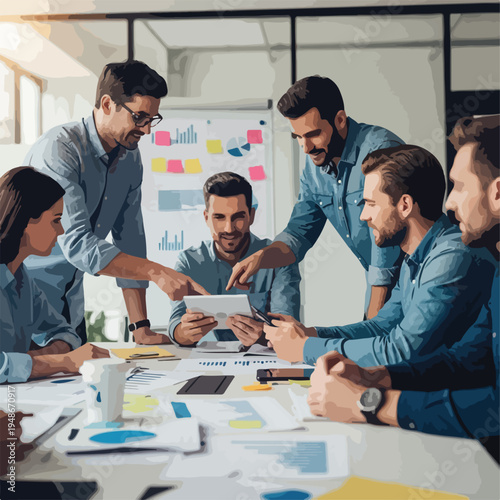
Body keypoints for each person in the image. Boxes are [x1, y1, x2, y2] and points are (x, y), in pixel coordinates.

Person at [307, 115, 499, 455]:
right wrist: (378, 377)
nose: (450, 204)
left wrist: (369, 403)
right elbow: (468, 361)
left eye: (460, 187)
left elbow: (493, 409)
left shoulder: (456, 253)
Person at [23, 60, 207, 346]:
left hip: (68, 312)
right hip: (25, 308)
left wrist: (141, 327)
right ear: (107, 104)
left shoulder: (130, 158)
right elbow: (77, 244)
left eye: (152, 120)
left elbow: (130, 240)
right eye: (139, 117)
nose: (146, 130)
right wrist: (157, 273)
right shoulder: (59, 150)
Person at [264, 144, 494, 367]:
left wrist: (306, 349)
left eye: (371, 203)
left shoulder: (451, 256)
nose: (363, 216)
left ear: (404, 205)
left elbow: (401, 350)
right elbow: (382, 326)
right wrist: (309, 334)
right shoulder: (415, 257)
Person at [227, 76, 405, 318]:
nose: (305, 147)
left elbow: (389, 237)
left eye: (312, 134)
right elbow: (299, 234)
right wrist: (261, 257)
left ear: (340, 120)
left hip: (412, 281)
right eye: (298, 137)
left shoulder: (380, 149)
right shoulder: (314, 169)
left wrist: (374, 320)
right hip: (377, 284)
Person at [0, 167, 109, 384]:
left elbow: (64, 331)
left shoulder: (22, 278)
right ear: (25, 220)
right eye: (56, 220)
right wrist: (62, 362)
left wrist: (41, 357)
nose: (61, 232)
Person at [168, 172, 300, 347]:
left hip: (266, 363)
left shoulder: (278, 258)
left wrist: (262, 336)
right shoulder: (189, 261)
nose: (229, 228)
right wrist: (184, 333)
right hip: (205, 364)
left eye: (238, 217)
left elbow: (289, 329)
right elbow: (175, 323)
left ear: (251, 216)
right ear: (206, 218)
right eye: (219, 217)